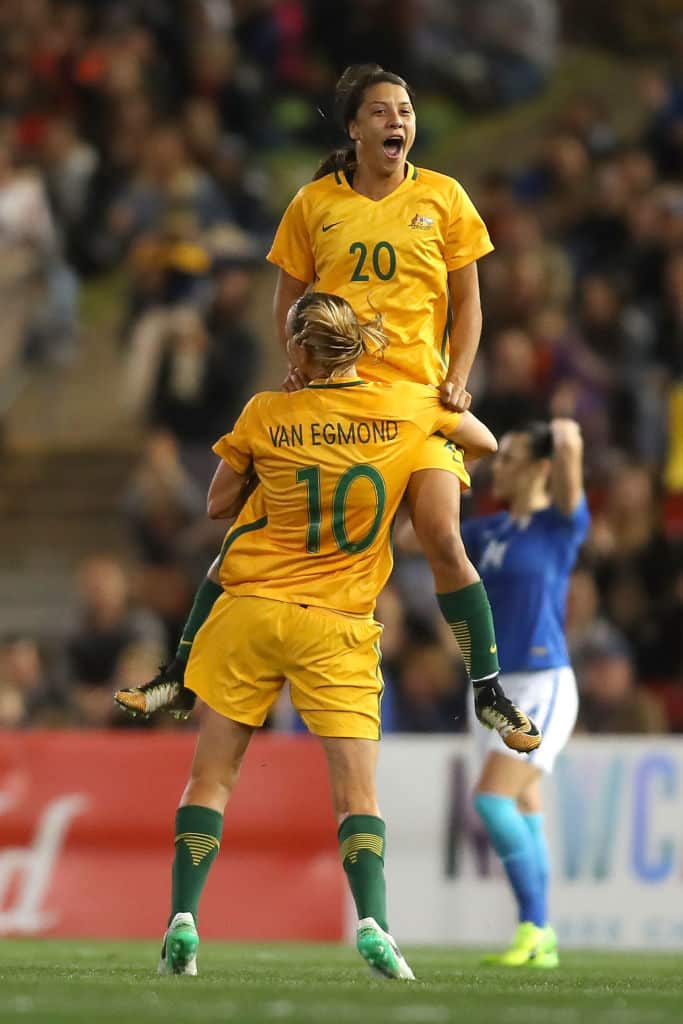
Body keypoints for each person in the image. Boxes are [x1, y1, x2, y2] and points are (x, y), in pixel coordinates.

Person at [119, 293, 538, 980]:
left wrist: (273, 462)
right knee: (356, 798)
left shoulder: (265, 412)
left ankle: (183, 921)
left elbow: (217, 503)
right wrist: (436, 414)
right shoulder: (403, 409)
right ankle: (374, 923)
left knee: (212, 779)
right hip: (335, 626)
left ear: (299, 353)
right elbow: (485, 444)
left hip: (249, 611)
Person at [118, 63, 516, 744]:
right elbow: (287, 296)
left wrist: (457, 377)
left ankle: (487, 688)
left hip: (412, 399)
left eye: (406, 109)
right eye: (383, 111)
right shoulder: (313, 205)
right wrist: (293, 363)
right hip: (332, 399)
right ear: (354, 127)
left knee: (442, 533)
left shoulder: (444, 198)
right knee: (247, 537)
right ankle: (179, 673)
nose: (398, 120)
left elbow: (469, 301)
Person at [460, 419, 589, 968]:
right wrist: (453, 471)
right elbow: (415, 538)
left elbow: (570, 443)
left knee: (492, 799)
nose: (499, 465)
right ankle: (540, 936)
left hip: (542, 682)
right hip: (491, 685)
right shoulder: (487, 531)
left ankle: (536, 926)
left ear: (540, 468)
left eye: (509, 456)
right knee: (522, 801)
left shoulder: (560, 526)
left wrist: (563, 435)